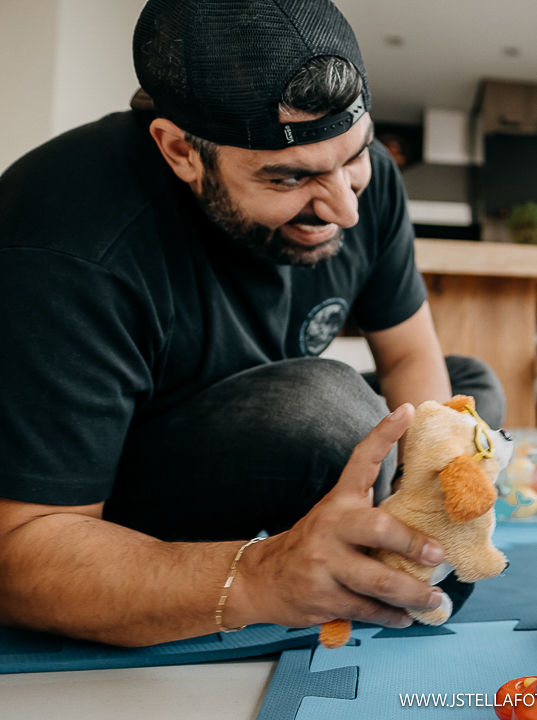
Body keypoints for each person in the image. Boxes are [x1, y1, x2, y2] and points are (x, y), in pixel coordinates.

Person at [0, 0, 504, 647]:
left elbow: (410, 354)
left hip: (252, 420)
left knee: (465, 391)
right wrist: (258, 578)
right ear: (180, 150)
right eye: (290, 177)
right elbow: (19, 553)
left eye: (355, 156)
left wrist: (428, 489)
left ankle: (365, 535)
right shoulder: (66, 246)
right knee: (325, 414)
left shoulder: (364, 182)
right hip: (109, 489)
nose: (346, 209)